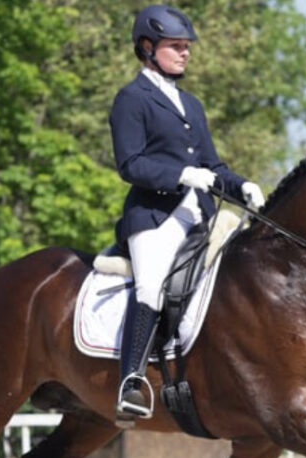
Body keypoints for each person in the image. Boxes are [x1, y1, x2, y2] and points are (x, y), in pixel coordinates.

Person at [109, 4, 265, 422]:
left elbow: (213, 168)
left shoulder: (190, 104)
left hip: (201, 215)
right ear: (147, 47)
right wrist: (182, 175)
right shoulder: (131, 99)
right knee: (151, 285)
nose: (185, 53)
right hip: (155, 216)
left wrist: (241, 185)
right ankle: (132, 380)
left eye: (186, 46)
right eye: (176, 46)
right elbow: (130, 164)